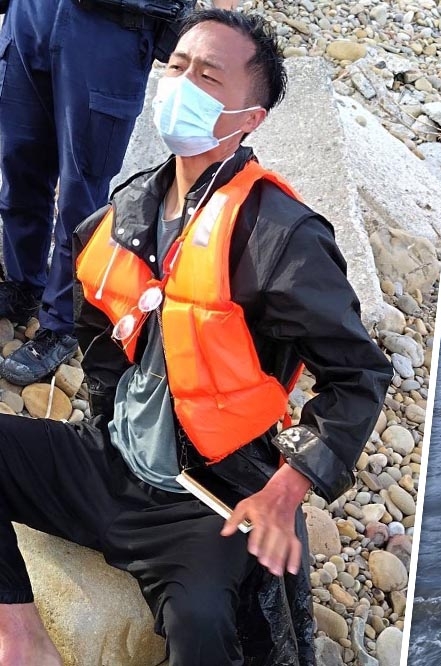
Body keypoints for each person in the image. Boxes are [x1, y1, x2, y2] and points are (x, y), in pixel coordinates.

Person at [0, 11, 393, 665]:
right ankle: (20, 639)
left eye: (207, 76)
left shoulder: (283, 235)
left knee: (208, 627)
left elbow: (359, 375)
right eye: (177, 66)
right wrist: (109, 409)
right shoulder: (127, 210)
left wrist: (289, 487)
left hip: (206, 500)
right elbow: (100, 335)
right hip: (112, 466)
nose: (179, 83)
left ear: (249, 118)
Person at [0, 0, 238, 386]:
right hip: (31, 16)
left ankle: (62, 321)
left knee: (82, 191)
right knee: (18, 161)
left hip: (109, 28)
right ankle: (24, 283)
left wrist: (216, 36)